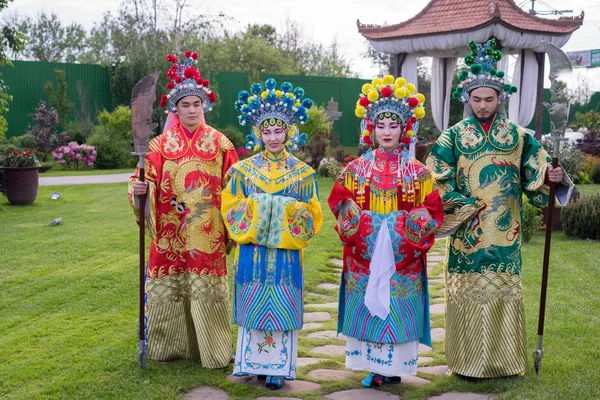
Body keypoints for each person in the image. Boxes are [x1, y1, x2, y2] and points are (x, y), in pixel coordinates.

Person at [426, 39, 572, 378]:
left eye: (488, 99)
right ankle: (465, 364)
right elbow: (436, 179)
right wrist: (466, 207)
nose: (481, 106)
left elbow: (538, 172)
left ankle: (506, 363)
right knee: (468, 294)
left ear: (500, 98)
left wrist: (553, 176)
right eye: (475, 99)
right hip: (467, 237)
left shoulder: (519, 137)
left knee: (503, 291)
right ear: (467, 99)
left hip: (507, 236)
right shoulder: (452, 137)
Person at [328, 75, 443, 388]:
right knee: (369, 301)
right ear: (372, 128)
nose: (387, 132)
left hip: (402, 253)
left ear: (404, 129)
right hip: (363, 255)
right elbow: (339, 202)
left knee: (397, 302)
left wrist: (398, 231)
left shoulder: (418, 172)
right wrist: (365, 227)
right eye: (381, 126)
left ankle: (393, 365)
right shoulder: (355, 169)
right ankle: (375, 366)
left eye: (393, 126)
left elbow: (432, 211)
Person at [128, 50, 238, 367]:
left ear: (205, 106)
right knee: (169, 286)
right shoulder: (158, 145)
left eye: (196, 104)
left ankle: (213, 351)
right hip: (169, 232)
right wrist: (139, 191)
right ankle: (167, 348)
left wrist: (235, 225)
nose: (191, 110)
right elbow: (142, 180)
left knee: (207, 289)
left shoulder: (221, 144)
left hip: (207, 232)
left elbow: (235, 188)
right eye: (185, 105)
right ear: (175, 108)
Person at [221, 78, 323, 390]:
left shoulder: (303, 173)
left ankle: (278, 367)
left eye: (279, 130)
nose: (273, 137)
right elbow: (231, 209)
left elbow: (311, 216)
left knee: (281, 302)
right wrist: (263, 206)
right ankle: (249, 363)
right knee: (252, 301)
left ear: (289, 132)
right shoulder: (243, 170)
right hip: (252, 255)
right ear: (258, 133)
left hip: (285, 259)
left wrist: (279, 209)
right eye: (267, 131)